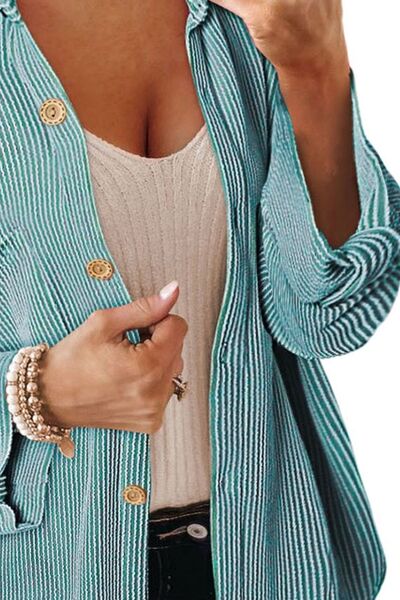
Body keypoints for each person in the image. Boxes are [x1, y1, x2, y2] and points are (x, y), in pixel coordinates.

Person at [0, 0, 399, 598]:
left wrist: (316, 67)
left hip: (268, 556)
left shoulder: (244, 19)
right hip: (50, 567)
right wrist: (38, 393)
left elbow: (326, 319)